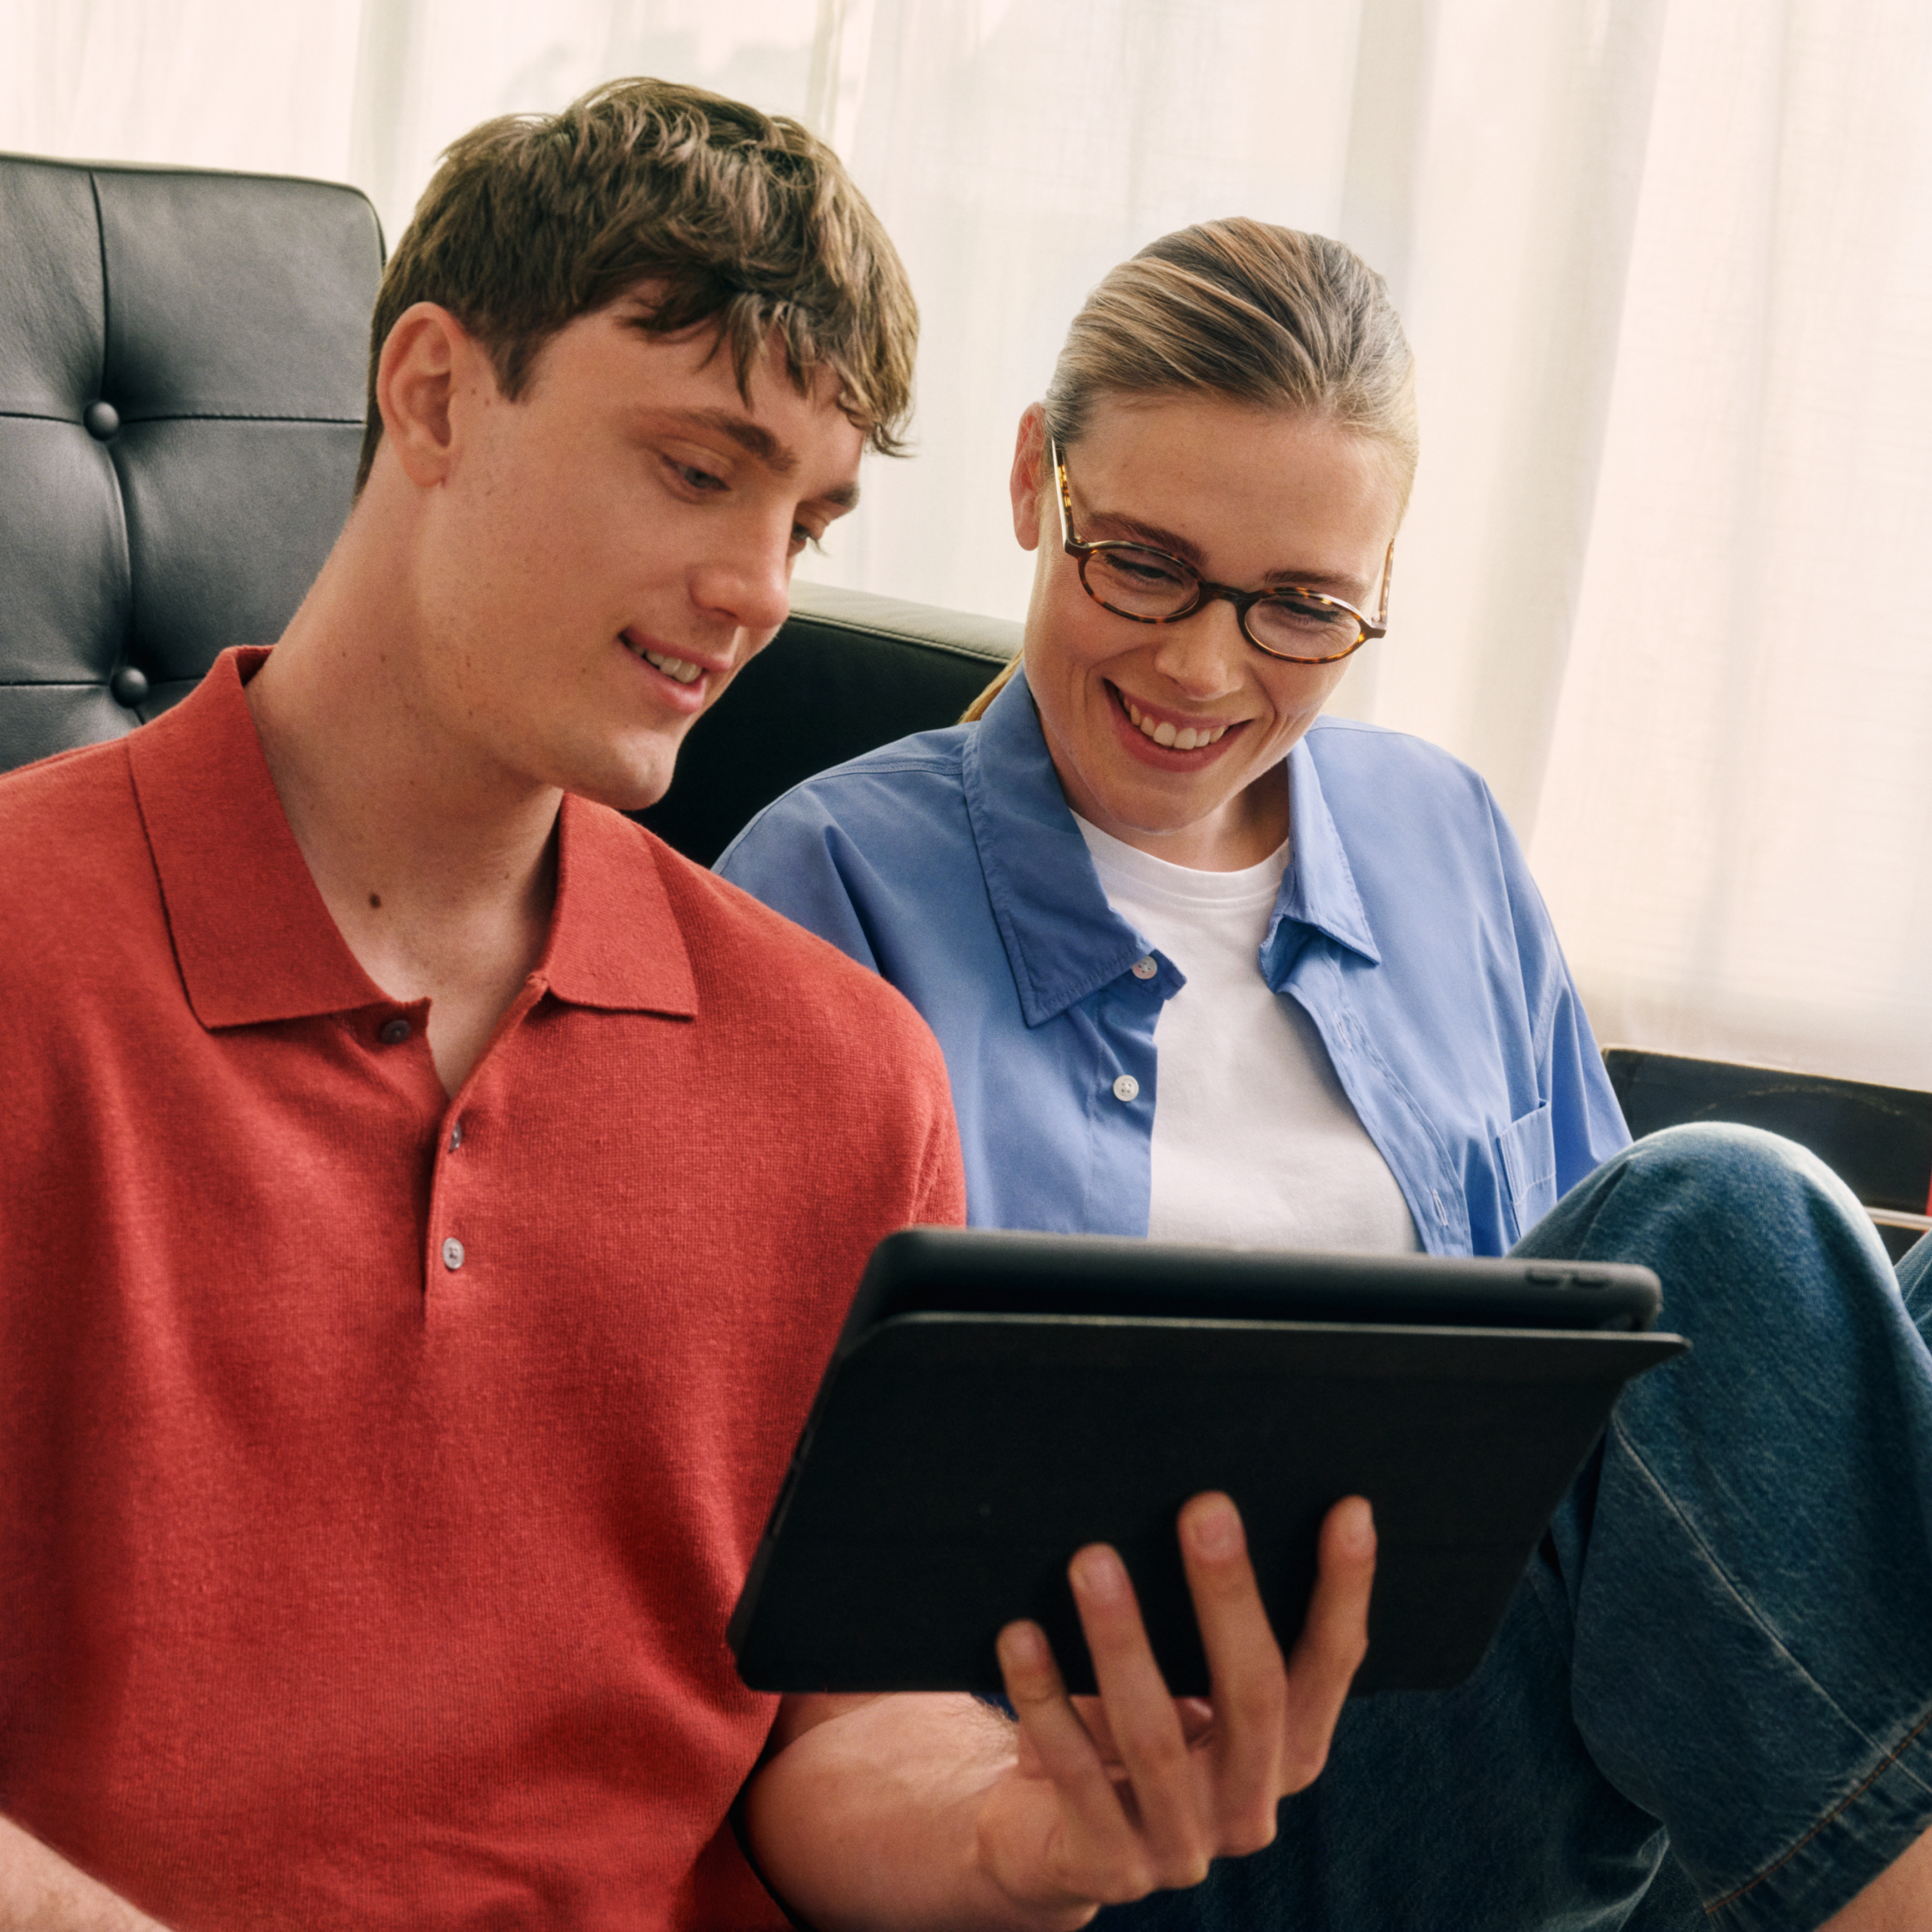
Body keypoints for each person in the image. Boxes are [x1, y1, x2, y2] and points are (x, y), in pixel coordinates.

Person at [0, 91, 1380, 1931]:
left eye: (807, 517)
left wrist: (1010, 1843)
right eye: (695, 469)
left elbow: (841, 1739)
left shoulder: (843, 1074)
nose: (757, 595)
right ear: (429, 393)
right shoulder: (31, 950)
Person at [718, 219, 1932, 1929]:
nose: (1203, 670)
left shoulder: (1440, 835)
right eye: (1141, 562)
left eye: (1300, 607)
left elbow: (1619, 1365)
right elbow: (772, 1589)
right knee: (1731, 1205)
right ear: (1030, 484)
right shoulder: (820, 896)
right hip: (1143, 1823)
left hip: (1553, 1774)